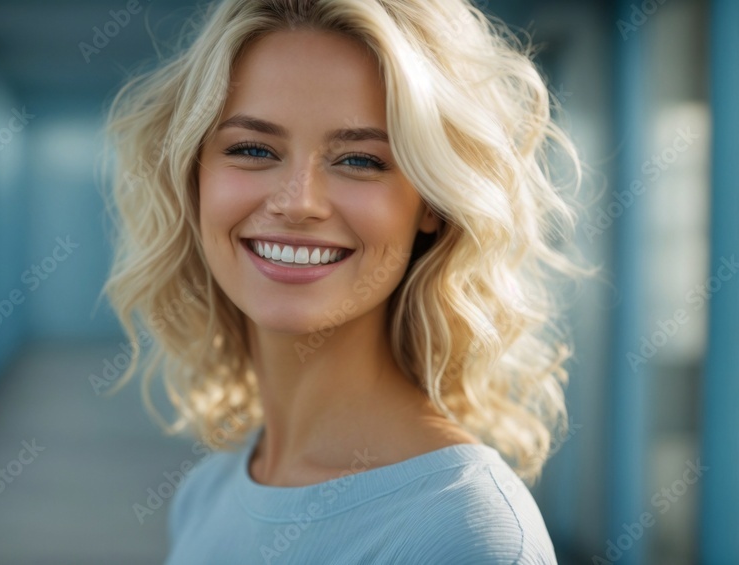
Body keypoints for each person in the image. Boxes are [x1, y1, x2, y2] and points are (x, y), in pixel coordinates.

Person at [102, 0, 589, 562]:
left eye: (360, 160)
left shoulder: (468, 534)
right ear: (194, 180)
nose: (298, 203)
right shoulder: (204, 494)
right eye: (253, 149)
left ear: (431, 202)